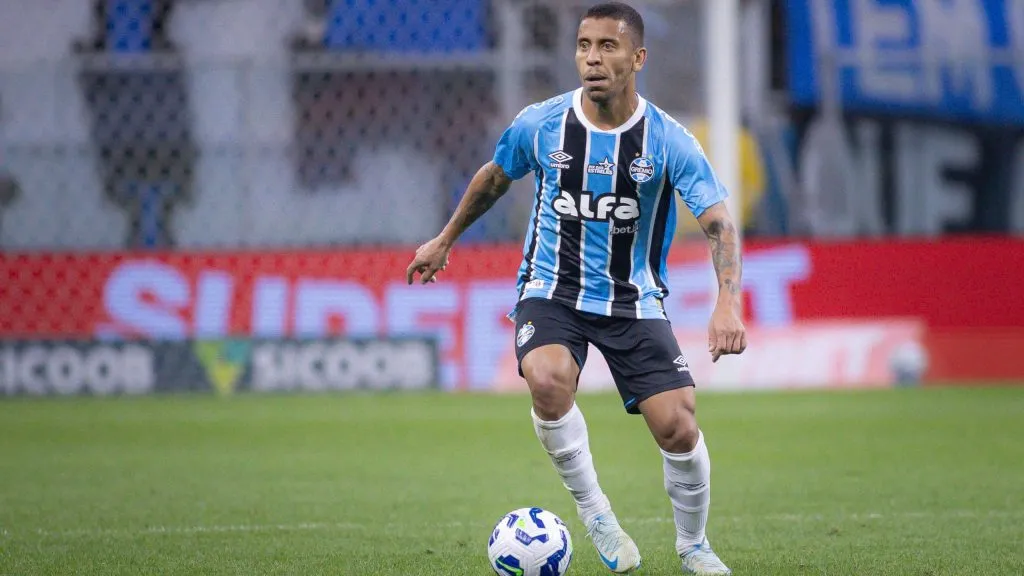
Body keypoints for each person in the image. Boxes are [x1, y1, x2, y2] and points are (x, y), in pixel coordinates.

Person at [405, 3, 745, 574]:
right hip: (551, 290)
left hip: (632, 299)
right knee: (546, 378)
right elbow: (494, 176)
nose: (593, 57)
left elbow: (718, 225)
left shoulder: (668, 140)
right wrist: (444, 239)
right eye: (585, 45)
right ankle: (597, 515)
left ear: (637, 58)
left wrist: (726, 302)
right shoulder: (542, 123)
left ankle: (693, 546)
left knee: (678, 425)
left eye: (608, 46)